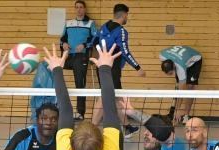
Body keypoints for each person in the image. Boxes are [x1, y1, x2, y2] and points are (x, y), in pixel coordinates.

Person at [91, 3, 146, 138]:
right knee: (105, 98)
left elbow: (93, 42)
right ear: (124, 15)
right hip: (112, 70)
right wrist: (137, 67)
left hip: (102, 67)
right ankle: (91, 129)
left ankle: (127, 127)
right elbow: (125, 52)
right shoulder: (121, 31)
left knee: (117, 98)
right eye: (127, 15)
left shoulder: (103, 27)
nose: (128, 18)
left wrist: (98, 57)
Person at [60, 0, 97, 121]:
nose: (79, 9)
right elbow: (62, 39)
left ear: (85, 9)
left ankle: (80, 113)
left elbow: (95, 39)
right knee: (51, 69)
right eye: (77, 7)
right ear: (74, 9)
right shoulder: (68, 23)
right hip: (68, 56)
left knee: (79, 84)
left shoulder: (90, 23)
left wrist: (85, 45)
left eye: (81, 7)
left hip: (81, 57)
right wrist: (64, 44)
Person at [159, 45, 203, 124]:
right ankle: (174, 111)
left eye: (171, 73)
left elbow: (181, 92)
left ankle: (186, 115)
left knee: (189, 88)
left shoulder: (180, 67)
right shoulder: (162, 55)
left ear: (174, 66)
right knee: (180, 85)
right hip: (181, 59)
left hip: (194, 62)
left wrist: (178, 110)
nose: (171, 75)